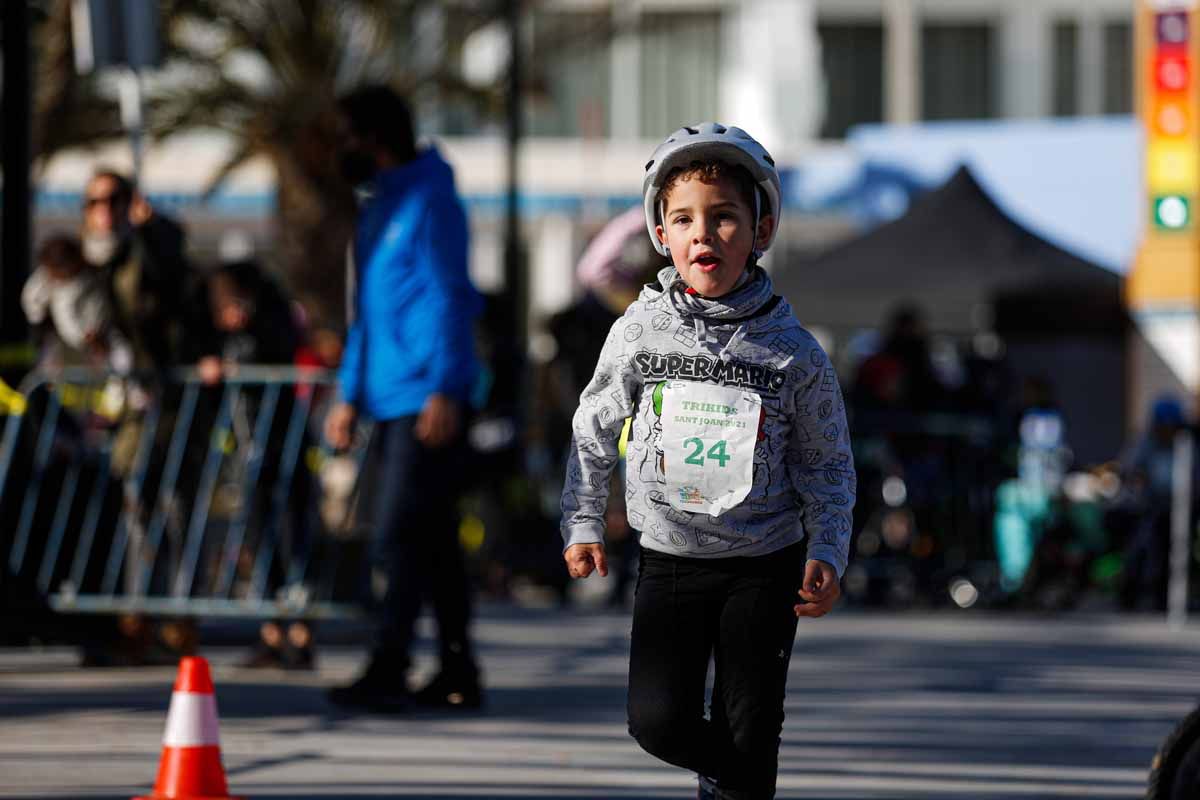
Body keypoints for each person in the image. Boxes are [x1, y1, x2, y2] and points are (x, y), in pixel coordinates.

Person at [561, 123, 856, 800]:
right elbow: (593, 427)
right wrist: (580, 522)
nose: (705, 235)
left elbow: (828, 464)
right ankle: (745, 783)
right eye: (685, 219)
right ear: (660, 234)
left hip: (765, 563)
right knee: (658, 722)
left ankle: (741, 784)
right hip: (670, 559)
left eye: (725, 218)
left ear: (762, 229)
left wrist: (830, 551)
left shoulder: (795, 353)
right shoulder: (638, 330)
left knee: (750, 726)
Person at [324, 85, 485, 711]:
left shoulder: (431, 200)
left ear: (376, 135)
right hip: (388, 399)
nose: (342, 150)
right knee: (433, 539)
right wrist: (347, 393)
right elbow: (366, 313)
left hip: (427, 398)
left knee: (395, 535)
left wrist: (446, 387)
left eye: (348, 136)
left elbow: (450, 296)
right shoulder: (378, 208)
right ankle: (458, 669)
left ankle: (390, 663)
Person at [22, 235, 133, 374]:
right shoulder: (52, 287)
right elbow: (34, 303)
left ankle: (124, 386)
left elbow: (99, 304)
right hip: (74, 339)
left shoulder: (90, 273)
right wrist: (84, 336)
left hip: (104, 329)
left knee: (122, 358)